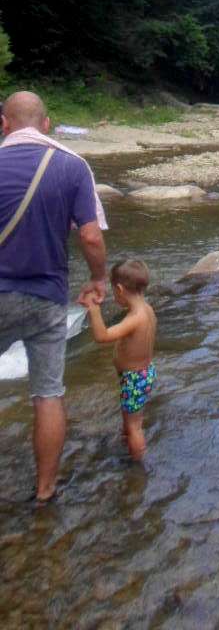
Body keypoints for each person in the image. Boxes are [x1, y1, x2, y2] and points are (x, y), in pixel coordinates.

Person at [0, 91, 108, 502]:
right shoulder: (72, 164)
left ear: (4, 124)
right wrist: (98, 279)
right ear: (47, 125)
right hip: (46, 299)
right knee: (47, 394)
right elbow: (90, 236)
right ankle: (45, 492)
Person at [87, 259, 157, 462]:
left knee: (135, 426)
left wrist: (94, 309)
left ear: (119, 289)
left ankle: (137, 465)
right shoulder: (148, 310)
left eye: (113, 290)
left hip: (134, 378)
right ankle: (127, 442)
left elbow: (102, 336)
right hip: (143, 374)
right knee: (131, 418)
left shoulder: (134, 318)